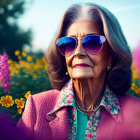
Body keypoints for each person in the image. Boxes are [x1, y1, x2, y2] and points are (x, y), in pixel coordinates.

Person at [16, 3, 140, 140]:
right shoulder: (37, 108)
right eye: (68, 44)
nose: (78, 52)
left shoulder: (136, 113)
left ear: (111, 55)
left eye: (92, 42)